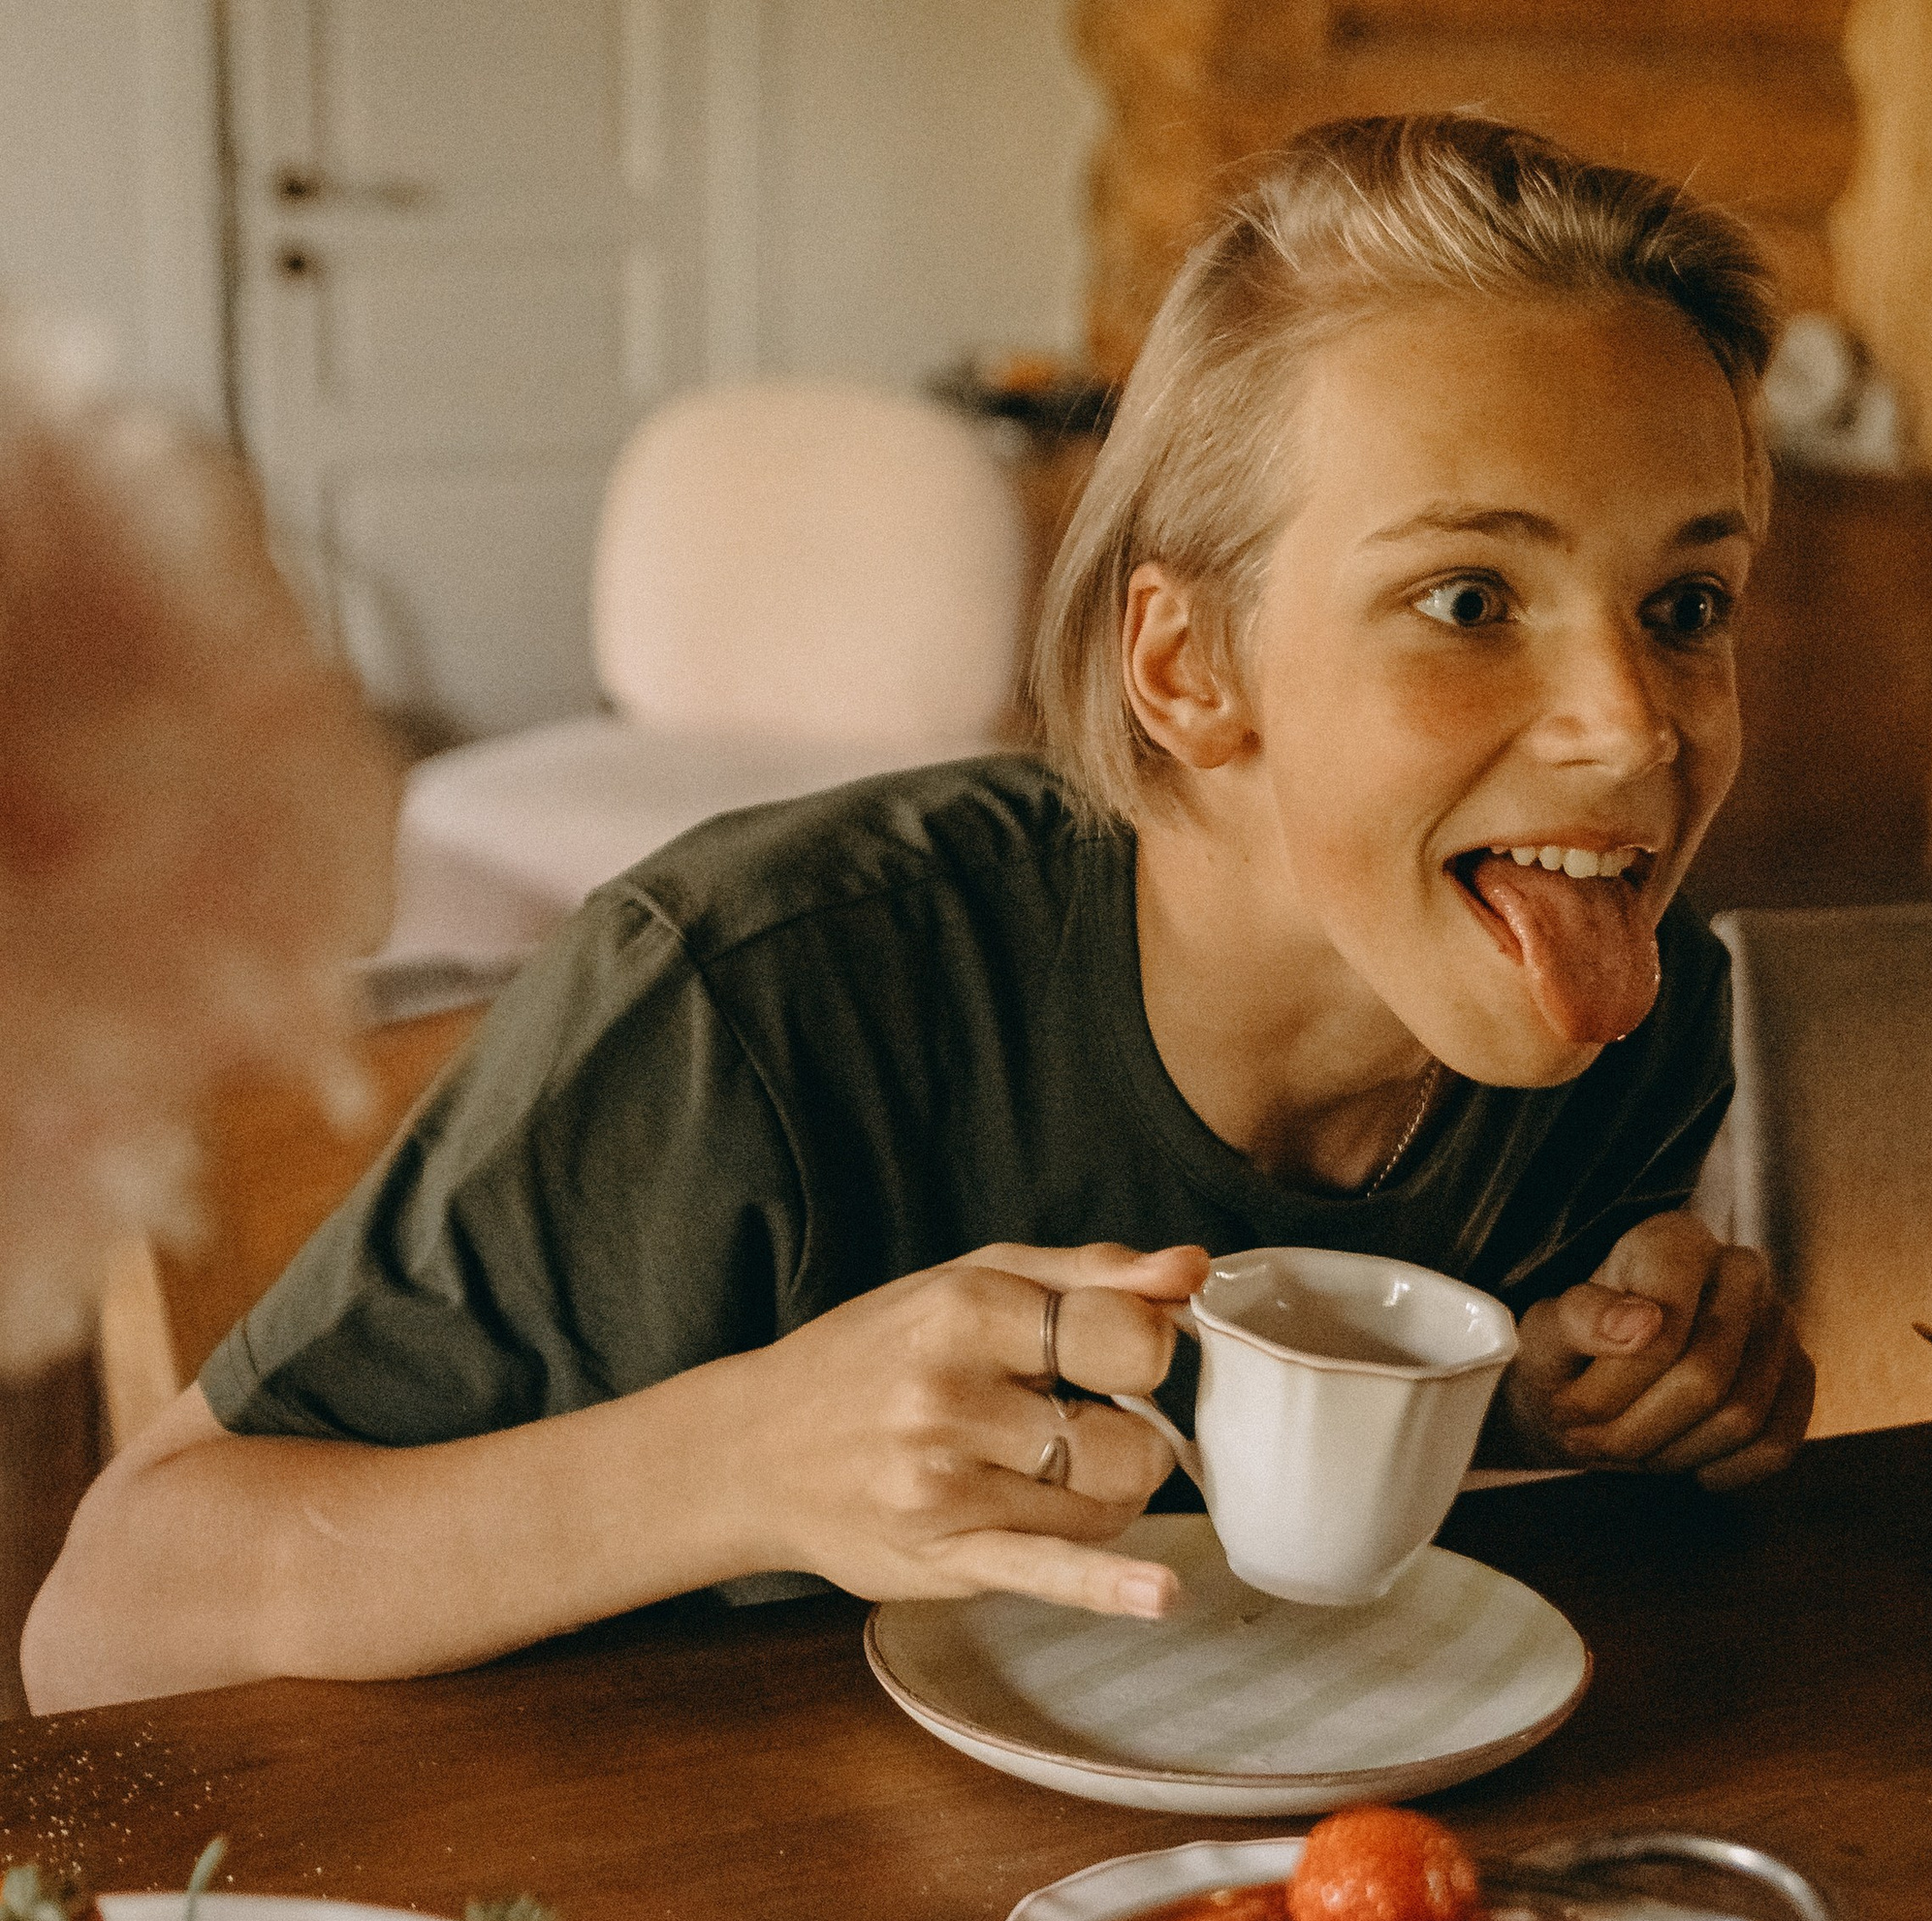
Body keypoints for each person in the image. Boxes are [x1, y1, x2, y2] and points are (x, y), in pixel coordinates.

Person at [22, 114, 1814, 1712]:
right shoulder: (745, 1007)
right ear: (1188, 667)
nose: (1633, 729)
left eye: (1686, 606)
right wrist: (745, 1460)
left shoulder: (1630, 1017)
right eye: (1470, 598)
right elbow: (108, 1616)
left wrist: (1563, 1401)